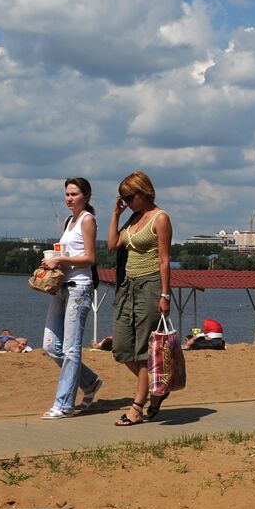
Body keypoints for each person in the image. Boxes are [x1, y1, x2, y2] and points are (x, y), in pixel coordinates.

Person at [107, 171, 172, 425]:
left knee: (144, 350)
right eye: (123, 197)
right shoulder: (133, 218)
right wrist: (116, 214)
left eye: (129, 196)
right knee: (122, 348)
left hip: (151, 285)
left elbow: (164, 260)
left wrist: (165, 295)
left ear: (143, 193)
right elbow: (113, 244)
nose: (126, 201)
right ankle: (157, 388)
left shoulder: (160, 218)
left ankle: (137, 406)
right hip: (127, 287)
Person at [38, 177, 104, 419]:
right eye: (67, 194)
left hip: (80, 288)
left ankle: (64, 405)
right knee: (50, 345)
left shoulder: (88, 220)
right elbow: (69, 252)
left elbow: (89, 258)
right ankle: (90, 382)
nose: (69, 198)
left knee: (70, 348)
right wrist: (53, 260)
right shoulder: (69, 221)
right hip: (62, 287)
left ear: (85, 196)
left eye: (74, 194)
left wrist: (61, 260)